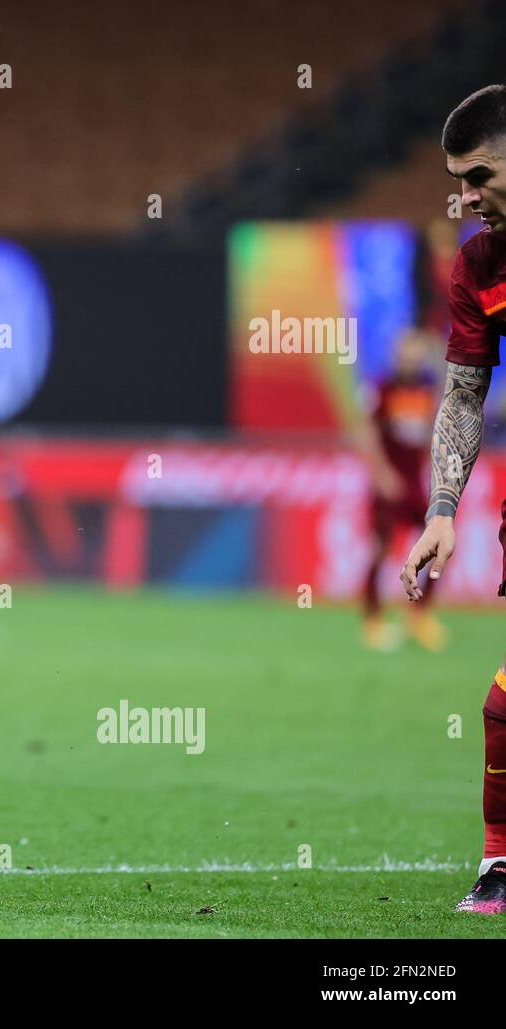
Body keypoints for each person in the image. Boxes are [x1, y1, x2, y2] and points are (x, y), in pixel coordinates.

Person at [400, 83, 506, 915]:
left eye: (477, 176)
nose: (464, 196)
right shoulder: (478, 264)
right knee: (505, 704)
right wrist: (442, 509)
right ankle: (500, 866)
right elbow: (465, 393)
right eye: (456, 178)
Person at [357, 329, 443, 651]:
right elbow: (367, 432)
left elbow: (433, 429)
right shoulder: (383, 388)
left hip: (415, 483)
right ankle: (372, 619)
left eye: (416, 350)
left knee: (440, 546)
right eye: (406, 350)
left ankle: (418, 616)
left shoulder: (427, 388)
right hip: (389, 484)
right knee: (381, 548)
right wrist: (381, 473)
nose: (411, 356)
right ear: (397, 354)